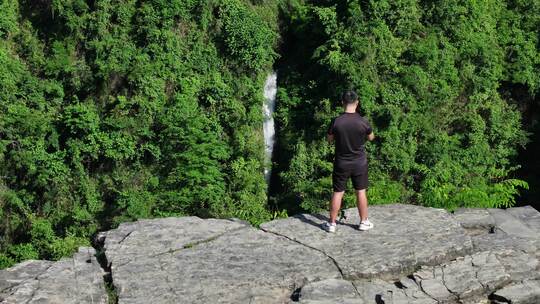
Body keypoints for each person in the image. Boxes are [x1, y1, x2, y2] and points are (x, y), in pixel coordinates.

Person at [323, 90, 375, 233]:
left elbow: (329, 139)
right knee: (360, 192)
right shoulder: (363, 121)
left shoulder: (336, 121)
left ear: (342, 103)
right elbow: (371, 137)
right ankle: (364, 222)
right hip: (359, 162)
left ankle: (332, 224)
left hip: (341, 162)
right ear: (357, 103)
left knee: (338, 192)